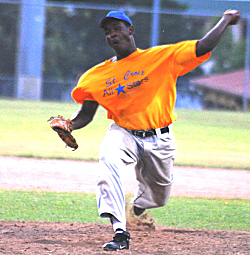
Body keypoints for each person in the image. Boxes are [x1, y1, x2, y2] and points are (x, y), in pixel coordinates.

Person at [69, 10, 240, 251]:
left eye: (117, 28)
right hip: (123, 132)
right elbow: (85, 115)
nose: (112, 34)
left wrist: (225, 20)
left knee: (159, 196)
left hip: (160, 137)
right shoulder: (96, 76)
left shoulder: (162, 57)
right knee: (108, 162)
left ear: (131, 30)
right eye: (108, 32)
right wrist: (69, 125)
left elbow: (203, 47)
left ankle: (139, 206)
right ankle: (120, 233)